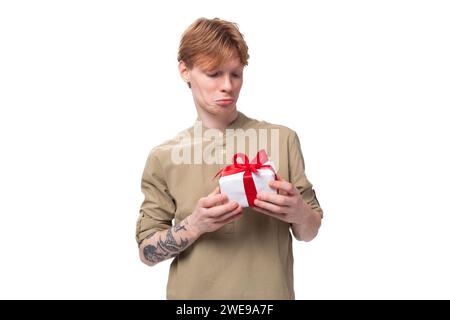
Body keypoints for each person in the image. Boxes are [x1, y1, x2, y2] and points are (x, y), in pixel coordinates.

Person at [135, 17, 323, 300]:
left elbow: (309, 231)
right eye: (213, 74)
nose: (228, 86)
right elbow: (147, 254)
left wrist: (298, 212)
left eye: (236, 74)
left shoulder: (283, 139)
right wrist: (195, 224)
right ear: (185, 71)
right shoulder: (164, 157)